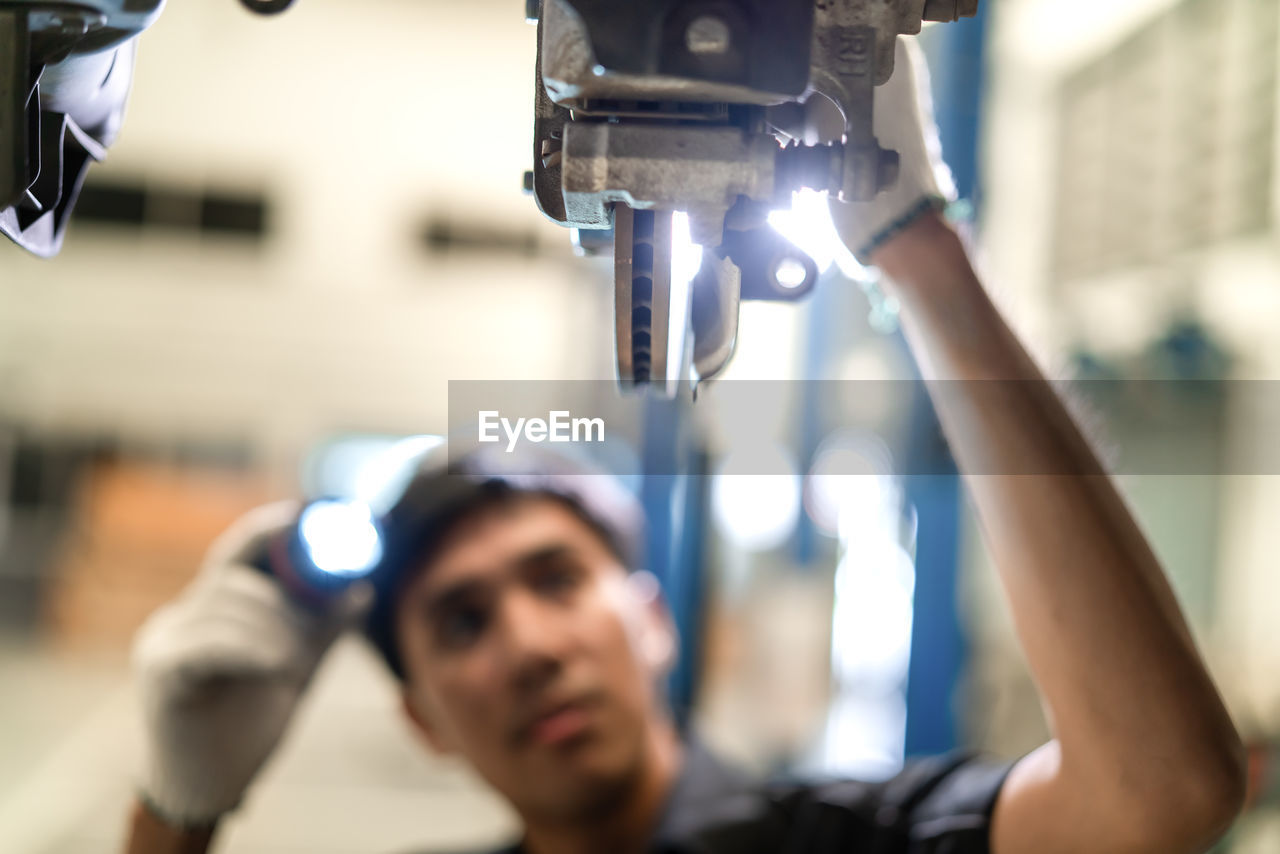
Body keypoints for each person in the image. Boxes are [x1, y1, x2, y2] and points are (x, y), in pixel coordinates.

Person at [122, 37, 1246, 854]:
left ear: (652, 617)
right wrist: (176, 812)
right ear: (421, 717)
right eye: (461, 620)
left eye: (555, 577)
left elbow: (1160, 792)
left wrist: (917, 246)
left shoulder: (848, 841)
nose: (526, 644)